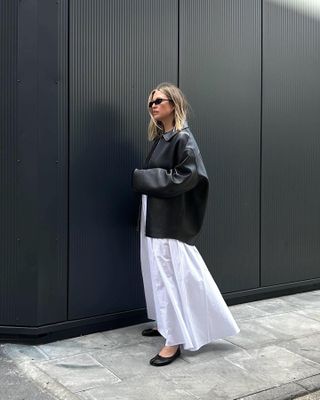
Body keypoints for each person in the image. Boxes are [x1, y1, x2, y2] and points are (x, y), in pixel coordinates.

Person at [132, 82, 240, 367]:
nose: (153, 105)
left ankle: (174, 339)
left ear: (173, 104)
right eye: (150, 102)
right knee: (157, 272)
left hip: (167, 220)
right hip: (155, 215)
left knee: (169, 274)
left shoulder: (183, 138)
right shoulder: (162, 137)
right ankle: (167, 323)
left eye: (158, 101)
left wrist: (142, 179)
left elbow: (188, 177)